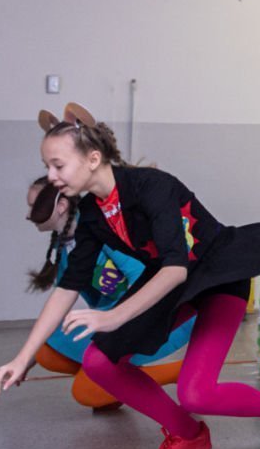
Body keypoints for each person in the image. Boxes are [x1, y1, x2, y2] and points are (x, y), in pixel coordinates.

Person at [0, 104, 260, 449]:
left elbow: (176, 268)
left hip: (217, 275)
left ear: (93, 159)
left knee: (197, 393)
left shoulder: (152, 186)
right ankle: (187, 435)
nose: (51, 176)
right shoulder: (92, 213)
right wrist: (22, 358)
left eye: (58, 165)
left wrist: (113, 316)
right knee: (99, 362)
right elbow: (68, 287)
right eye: (47, 166)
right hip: (167, 282)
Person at [23, 175, 191, 411]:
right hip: (121, 318)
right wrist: (24, 361)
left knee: (86, 392)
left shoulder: (98, 231)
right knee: (45, 352)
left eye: (33, 206)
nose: (28, 215)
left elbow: (144, 279)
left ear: (60, 206)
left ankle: (179, 372)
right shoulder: (65, 251)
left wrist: (114, 322)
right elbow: (71, 303)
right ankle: (117, 382)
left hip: (159, 315)